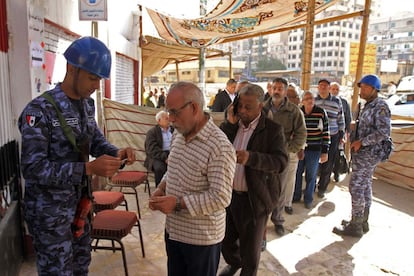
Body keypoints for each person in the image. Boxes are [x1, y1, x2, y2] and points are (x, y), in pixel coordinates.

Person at [18, 36, 136, 275]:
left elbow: (92, 141)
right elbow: (33, 168)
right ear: (72, 68)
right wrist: (88, 170)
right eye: (92, 78)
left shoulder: (86, 105)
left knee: (81, 267)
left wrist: (116, 152)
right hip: (50, 215)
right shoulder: (40, 111)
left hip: (80, 206)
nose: (96, 85)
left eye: (100, 79)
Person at [148, 82, 236, 276]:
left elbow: (221, 197)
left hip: (200, 239)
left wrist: (178, 203)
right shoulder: (180, 134)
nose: (170, 119)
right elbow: (173, 168)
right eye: (168, 112)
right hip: (174, 231)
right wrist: (161, 188)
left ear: (194, 108)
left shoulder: (219, 147)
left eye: (174, 112)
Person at [219, 83, 288, 276]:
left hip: (255, 199)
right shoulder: (233, 126)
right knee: (226, 241)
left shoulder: (272, 130)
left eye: (248, 107)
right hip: (229, 196)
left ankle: (245, 269)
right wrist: (229, 123)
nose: (242, 110)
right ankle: (234, 263)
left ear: (260, 106)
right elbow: (218, 144)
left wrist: (251, 158)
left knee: (251, 252)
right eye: (239, 105)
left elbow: (281, 162)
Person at [333, 74, 391, 237]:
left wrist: (362, 142)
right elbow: (368, 125)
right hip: (362, 153)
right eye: (361, 86)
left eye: (365, 87)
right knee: (364, 186)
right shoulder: (366, 105)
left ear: (375, 89)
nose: (362, 90)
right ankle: (361, 221)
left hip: (369, 153)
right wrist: (355, 126)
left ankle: (355, 225)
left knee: (356, 187)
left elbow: (384, 132)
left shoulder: (380, 106)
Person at [263, 77, 306, 236]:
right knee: (262, 188)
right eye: (274, 87)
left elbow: (301, 133)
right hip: (263, 156)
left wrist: (289, 149)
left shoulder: (294, 111)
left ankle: (278, 220)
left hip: (281, 157)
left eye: (280, 88)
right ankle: (262, 222)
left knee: (279, 190)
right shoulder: (262, 108)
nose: (276, 91)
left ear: (285, 91)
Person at [293, 91, 330, 209]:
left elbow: (326, 132)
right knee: (297, 173)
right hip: (299, 149)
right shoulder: (299, 112)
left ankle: (308, 198)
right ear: (302, 101)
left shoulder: (321, 113)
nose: (310, 100)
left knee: (311, 175)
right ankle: (296, 196)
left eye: (312, 98)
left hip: (314, 149)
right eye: (307, 98)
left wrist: (325, 151)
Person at [314, 79, 345, 198]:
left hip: (332, 136)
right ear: (318, 87)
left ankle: (322, 188)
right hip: (315, 137)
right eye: (320, 85)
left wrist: (341, 134)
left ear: (328, 88)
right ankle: (312, 187)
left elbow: (340, 118)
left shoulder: (337, 101)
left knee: (328, 163)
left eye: (325, 86)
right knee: (314, 163)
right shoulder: (314, 100)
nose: (322, 88)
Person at [144, 110, 173, 187]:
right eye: (166, 118)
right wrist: (165, 158)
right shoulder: (152, 132)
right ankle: (160, 190)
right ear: (159, 120)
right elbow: (151, 149)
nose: (169, 120)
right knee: (160, 168)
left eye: (168, 118)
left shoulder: (174, 130)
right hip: (157, 156)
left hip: (172, 153)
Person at [330, 82, 352, 182]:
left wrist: (347, 133)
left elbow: (348, 118)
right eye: (333, 89)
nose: (334, 91)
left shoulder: (343, 102)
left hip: (340, 133)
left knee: (338, 154)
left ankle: (336, 173)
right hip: (328, 133)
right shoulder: (326, 101)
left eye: (336, 89)